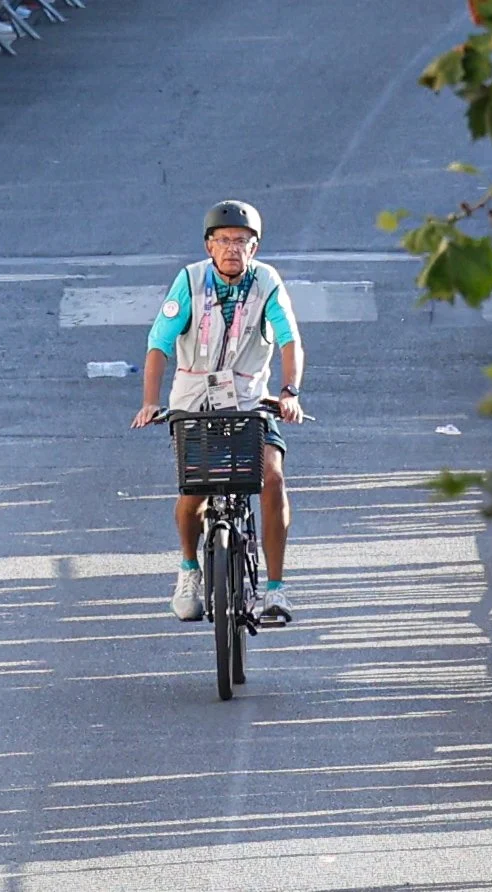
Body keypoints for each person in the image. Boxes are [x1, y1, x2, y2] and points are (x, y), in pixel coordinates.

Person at [130, 200, 306, 624]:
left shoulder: (267, 283)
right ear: (209, 246)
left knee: (273, 476)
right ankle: (189, 569)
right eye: (223, 240)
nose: (232, 248)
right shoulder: (189, 281)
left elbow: (289, 340)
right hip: (195, 404)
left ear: (255, 247)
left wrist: (289, 392)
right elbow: (159, 344)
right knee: (194, 491)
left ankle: (277, 589)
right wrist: (151, 401)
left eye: (241, 241)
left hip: (249, 402)